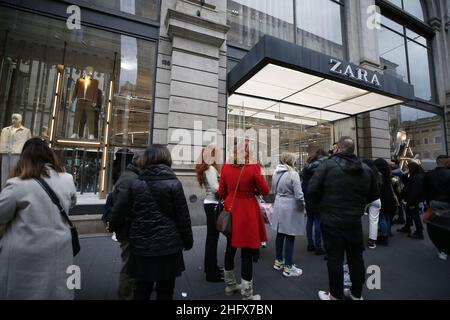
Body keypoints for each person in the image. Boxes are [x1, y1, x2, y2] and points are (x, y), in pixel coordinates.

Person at [0, 138, 77, 299]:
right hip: (62, 248)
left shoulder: (17, 184)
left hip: (26, 253)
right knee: (60, 289)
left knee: (27, 292)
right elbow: (72, 203)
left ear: (24, 159)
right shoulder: (67, 179)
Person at [308, 136, 379, 301]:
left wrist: (321, 208)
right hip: (354, 220)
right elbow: (373, 195)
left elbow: (312, 190)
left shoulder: (327, 165)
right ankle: (356, 294)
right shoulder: (365, 168)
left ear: (338, 148)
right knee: (356, 258)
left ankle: (335, 295)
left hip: (331, 221)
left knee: (335, 259)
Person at [128, 145, 193, 300]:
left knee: (141, 290)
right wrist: (188, 241)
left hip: (142, 246)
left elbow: (130, 214)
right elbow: (183, 217)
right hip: (168, 247)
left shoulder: (136, 183)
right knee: (165, 292)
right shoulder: (174, 183)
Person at [219, 139, 270, 300]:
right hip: (247, 210)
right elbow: (265, 190)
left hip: (231, 208)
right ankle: (247, 294)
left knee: (230, 248)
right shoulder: (253, 166)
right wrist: (252, 189)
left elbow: (222, 191)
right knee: (247, 251)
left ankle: (230, 285)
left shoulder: (226, 166)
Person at [108, 152, 142, 300]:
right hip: (128, 228)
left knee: (132, 262)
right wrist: (113, 225)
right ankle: (127, 294)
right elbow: (119, 207)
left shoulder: (130, 176)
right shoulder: (130, 179)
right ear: (140, 163)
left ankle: (132, 290)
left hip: (129, 227)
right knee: (128, 264)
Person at [271, 153, 306, 277]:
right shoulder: (293, 174)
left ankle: (278, 261)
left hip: (279, 204)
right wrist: (304, 207)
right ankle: (288, 267)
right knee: (290, 235)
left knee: (280, 234)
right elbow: (299, 195)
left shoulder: (276, 173)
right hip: (290, 207)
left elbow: (273, 190)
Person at [195, 144, 224, 282]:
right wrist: (226, 190)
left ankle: (211, 268)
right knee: (212, 240)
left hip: (210, 205)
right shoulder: (210, 169)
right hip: (213, 206)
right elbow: (216, 189)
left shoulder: (206, 168)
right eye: (216, 154)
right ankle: (211, 273)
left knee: (212, 239)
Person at [423, 155, 450, 260]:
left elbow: (425, 190)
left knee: (436, 227)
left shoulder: (428, 174)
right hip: (447, 204)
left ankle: (442, 250)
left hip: (433, 204)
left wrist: (428, 203)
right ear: (446, 162)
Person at [302, 149, 328, 255]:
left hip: (308, 195)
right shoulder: (323, 166)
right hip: (318, 196)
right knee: (318, 220)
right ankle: (318, 246)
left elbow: (303, 180)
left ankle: (310, 244)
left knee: (310, 220)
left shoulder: (307, 167)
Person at [373, 159, 398, 246]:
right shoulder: (388, 174)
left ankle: (384, 237)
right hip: (389, 197)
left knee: (382, 218)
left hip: (382, 198)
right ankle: (386, 233)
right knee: (386, 217)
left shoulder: (378, 175)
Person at [398, 162, 425, 240]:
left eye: (408, 168)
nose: (407, 169)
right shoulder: (414, 176)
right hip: (410, 199)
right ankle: (407, 227)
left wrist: (411, 202)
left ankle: (419, 232)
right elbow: (406, 182)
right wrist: (405, 174)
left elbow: (415, 191)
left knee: (415, 215)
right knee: (409, 213)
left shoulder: (417, 177)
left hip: (413, 200)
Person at [362, 159, 382, 249]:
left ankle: (358, 241)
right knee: (374, 221)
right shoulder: (378, 174)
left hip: (364, 200)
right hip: (376, 199)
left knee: (358, 220)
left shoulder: (363, 174)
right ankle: (372, 242)